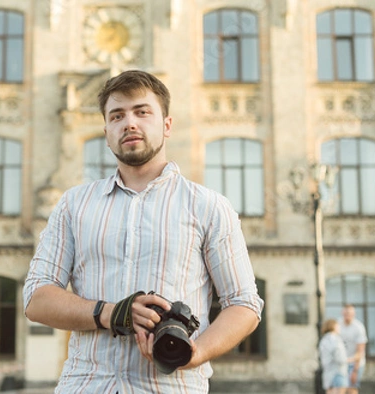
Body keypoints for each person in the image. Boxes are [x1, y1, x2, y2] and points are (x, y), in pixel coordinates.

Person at [23, 70, 264, 393]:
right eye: (117, 116)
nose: (129, 123)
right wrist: (109, 313)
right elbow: (36, 298)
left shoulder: (209, 207)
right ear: (107, 131)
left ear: (166, 125)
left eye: (142, 112)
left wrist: (197, 353)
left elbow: (244, 304)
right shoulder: (73, 205)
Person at [339, 304, 368, 394]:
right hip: (342, 362)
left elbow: (360, 351)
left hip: (354, 363)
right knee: (341, 388)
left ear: (353, 314)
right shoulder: (338, 324)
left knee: (352, 388)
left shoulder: (358, 327)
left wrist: (355, 371)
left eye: (349, 313)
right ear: (342, 313)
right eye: (345, 312)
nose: (347, 315)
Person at [319, 319, 348, 394]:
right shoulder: (335, 339)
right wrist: (351, 359)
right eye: (338, 326)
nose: (339, 328)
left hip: (328, 373)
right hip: (337, 372)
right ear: (333, 326)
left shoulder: (324, 340)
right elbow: (340, 358)